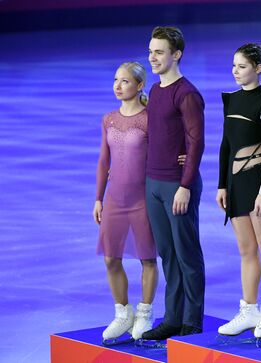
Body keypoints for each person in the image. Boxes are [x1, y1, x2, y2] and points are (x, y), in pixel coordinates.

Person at [216, 43, 261, 339]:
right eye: (233, 66)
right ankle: (249, 310)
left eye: (242, 66)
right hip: (236, 186)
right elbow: (226, 145)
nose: (236, 71)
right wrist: (222, 184)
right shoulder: (231, 100)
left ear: (257, 69)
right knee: (246, 250)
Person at [141, 26, 205, 341]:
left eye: (159, 51)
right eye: (151, 51)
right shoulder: (155, 91)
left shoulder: (187, 93)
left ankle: (191, 321)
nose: (152, 57)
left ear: (176, 54)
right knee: (167, 254)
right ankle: (173, 318)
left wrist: (185, 184)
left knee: (186, 254)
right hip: (153, 182)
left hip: (178, 186)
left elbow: (196, 143)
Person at [94, 62, 158, 342]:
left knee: (147, 257)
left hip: (143, 199)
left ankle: (145, 312)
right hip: (114, 199)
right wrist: (98, 198)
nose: (118, 87)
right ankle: (123, 313)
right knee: (111, 258)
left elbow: (163, 154)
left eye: (125, 82)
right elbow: (103, 161)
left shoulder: (149, 118)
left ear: (140, 85)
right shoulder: (108, 119)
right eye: (116, 81)